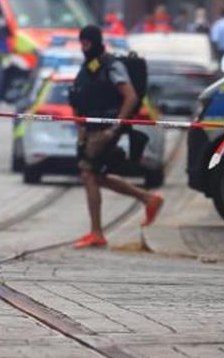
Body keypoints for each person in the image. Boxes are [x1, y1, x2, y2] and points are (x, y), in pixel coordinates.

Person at [69, 24, 164, 248]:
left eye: (86, 43)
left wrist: (113, 129)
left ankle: (97, 232)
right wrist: (81, 131)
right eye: (81, 43)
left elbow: (130, 96)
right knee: (96, 175)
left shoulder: (112, 66)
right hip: (91, 130)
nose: (83, 47)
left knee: (88, 173)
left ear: (95, 42)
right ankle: (148, 199)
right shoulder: (89, 68)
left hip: (106, 129)